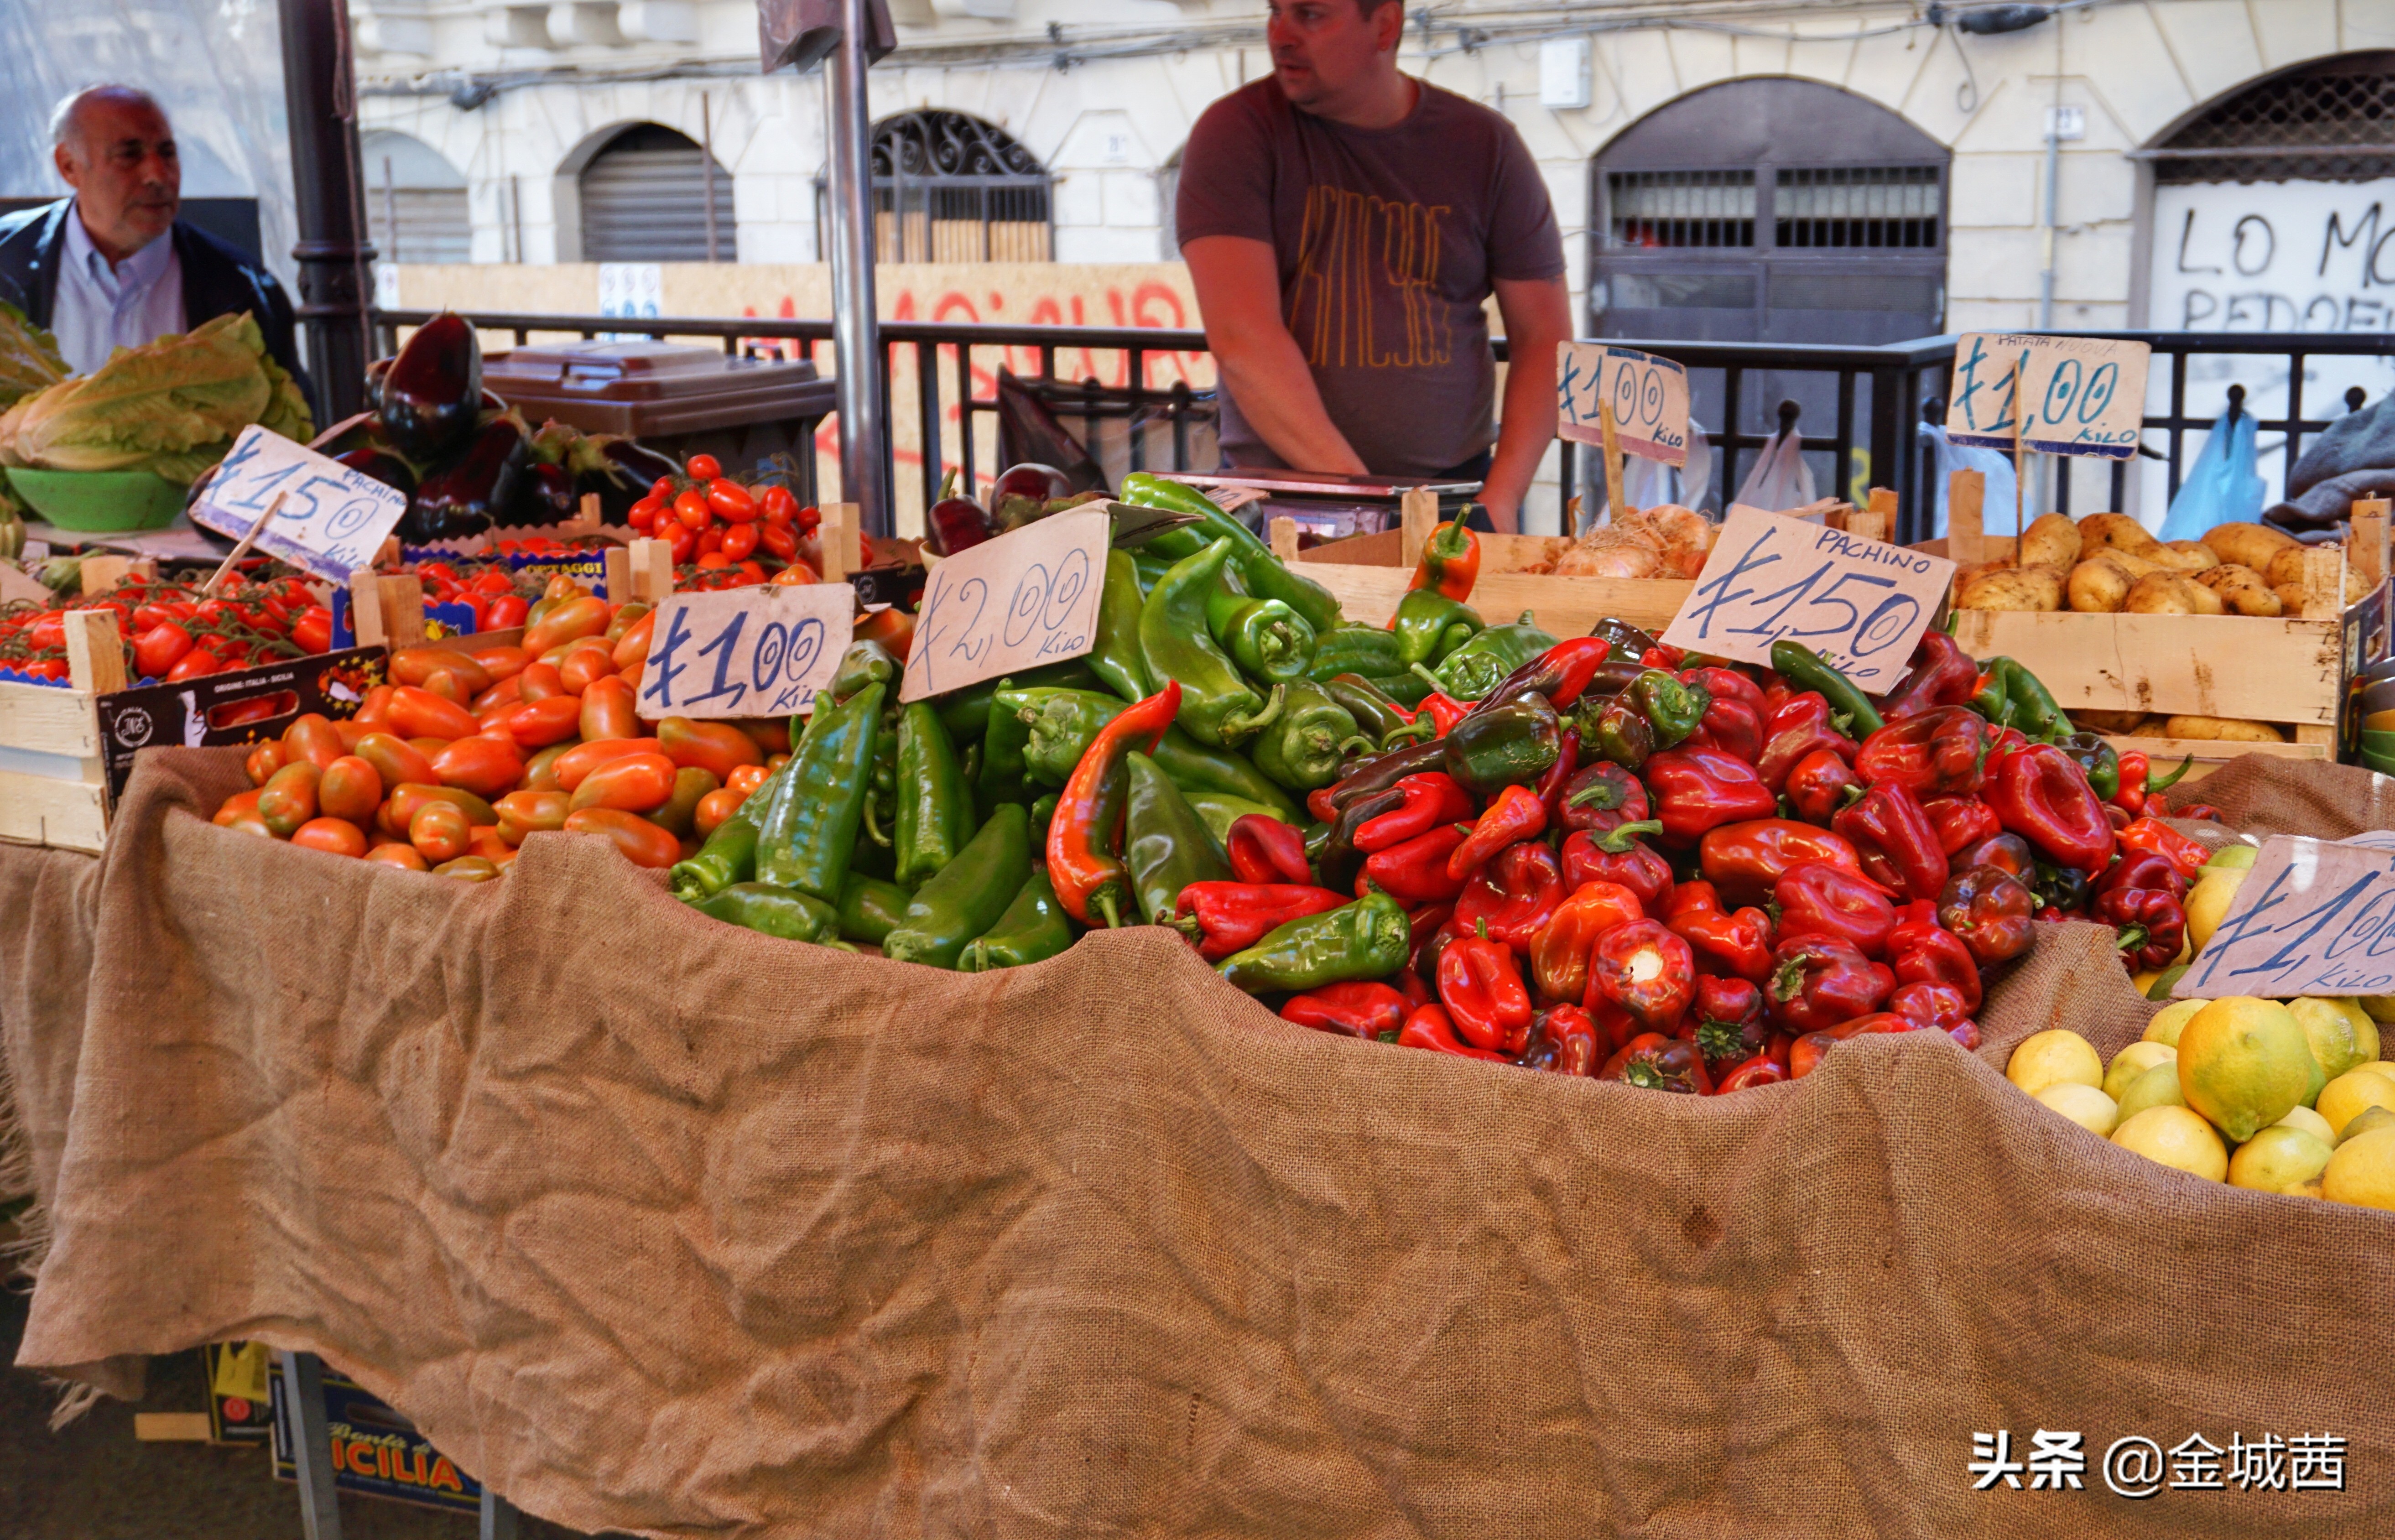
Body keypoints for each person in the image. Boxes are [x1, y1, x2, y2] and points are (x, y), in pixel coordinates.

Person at [1175, 0, 1571, 533]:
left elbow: (1545, 336)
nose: (1281, 34)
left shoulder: (1485, 146)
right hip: (1284, 500)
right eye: (1275, 11)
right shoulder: (1236, 133)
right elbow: (1243, 340)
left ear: (1384, 24)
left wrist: (1501, 498)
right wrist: (1370, 510)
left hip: (1452, 496)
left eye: (1310, 14)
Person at [0, 85, 307, 391]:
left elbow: (289, 426)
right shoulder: (6, 261)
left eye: (167, 153)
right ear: (69, 166)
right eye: (129, 155)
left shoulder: (243, 289)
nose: (158, 175)